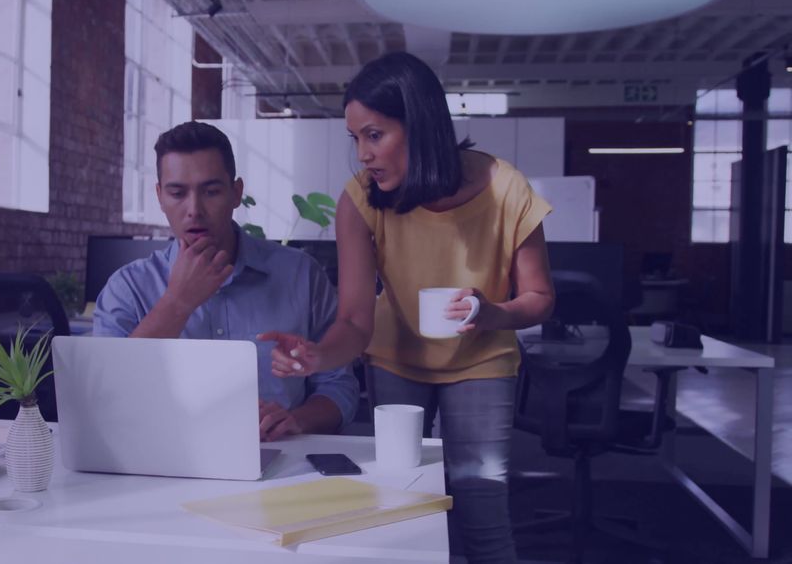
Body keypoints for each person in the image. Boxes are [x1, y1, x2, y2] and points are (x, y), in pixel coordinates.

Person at [260, 52, 555, 563]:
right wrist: (316, 356)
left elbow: (540, 298)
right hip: (395, 359)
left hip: (481, 361)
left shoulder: (506, 188)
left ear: (418, 124)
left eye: (374, 135)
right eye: (355, 139)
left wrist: (492, 314)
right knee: (399, 507)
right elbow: (354, 319)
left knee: (481, 506)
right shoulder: (360, 199)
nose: (363, 155)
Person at [93, 121, 359, 442]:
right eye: (178, 193)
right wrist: (178, 302)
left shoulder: (301, 275)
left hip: (281, 460)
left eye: (211, 191)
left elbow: (338, 384)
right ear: (160, 196)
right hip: (166, 460)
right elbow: (104, 398)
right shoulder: (127, 288)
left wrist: (296, 421)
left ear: (236, 193)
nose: (194, 210)